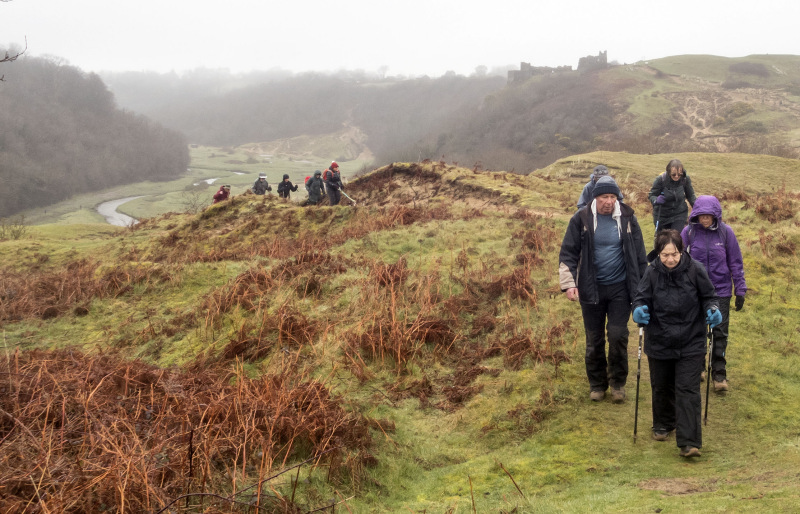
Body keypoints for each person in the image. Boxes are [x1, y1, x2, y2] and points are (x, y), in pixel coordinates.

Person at [632, 229, 722, 458]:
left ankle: (689, 442)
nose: (670, 259)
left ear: (681, 251)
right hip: (660, 338)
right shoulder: (651, 273)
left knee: (688, 389)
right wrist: (638, 310)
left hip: (691, 339)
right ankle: (663, 423)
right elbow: (641, 298)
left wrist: (713, 310)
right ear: (658, 254)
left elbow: (709, 297)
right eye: (665, 255)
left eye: (674, 254)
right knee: (661, 385)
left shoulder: (695, 270)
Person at [559, 176, 648, 403]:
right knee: (594, 338)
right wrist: (569, 284)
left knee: (618, 335)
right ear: (594, 198)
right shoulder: (581, 219)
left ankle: (617, 383)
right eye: (603, 197)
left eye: (612, 197)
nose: (608, 202)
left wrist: (643, 289)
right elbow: (568, 252)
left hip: (620, 288)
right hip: (591, 289)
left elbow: (639, 256)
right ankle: (597, 384)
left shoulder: (628, 218)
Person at [681, 195, 746, 392]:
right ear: (695, 215)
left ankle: (719, 374)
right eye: (701, 216)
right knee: (696, 329)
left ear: (715, 216)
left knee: (719, 332)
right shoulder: (688, 232)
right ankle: (698, 366)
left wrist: (740, 289)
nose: (705, 220)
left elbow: (735, 262)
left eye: (708, 216)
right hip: (695, 291)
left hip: (721, 291)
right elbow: (678, 259)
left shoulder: (726, 233)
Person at [648, 159, 696, 231]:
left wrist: (699, 208)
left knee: (676, 238)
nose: (677, 176)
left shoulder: (685, 179)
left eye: (679, 174)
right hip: (662, 215)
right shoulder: (660, 180)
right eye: (674, 174)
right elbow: (651, 195)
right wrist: (656, 200)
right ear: (668, 171)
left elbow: (691, 196)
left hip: (679, 214)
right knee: (663, 240)